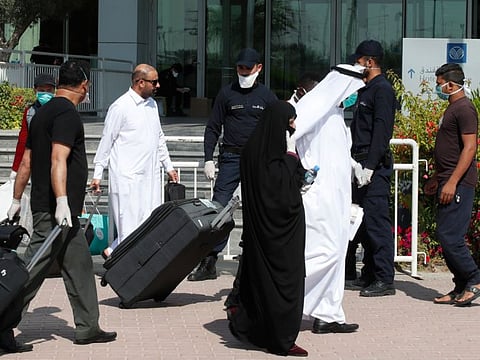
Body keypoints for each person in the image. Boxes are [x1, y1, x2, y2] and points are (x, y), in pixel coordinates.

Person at [2, 60, 117, 353]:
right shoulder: (66, 113)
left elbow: (26, 161)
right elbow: (58, 159)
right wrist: (62, 202)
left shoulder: (42, 113)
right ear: (84, 85)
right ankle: (2, 321)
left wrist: (17, 199)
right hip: (54, 212)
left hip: (62, 215)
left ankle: (88, 326)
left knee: (79, 265)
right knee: (30, 270)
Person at [187, 47, 278, 282]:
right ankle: (209, 261)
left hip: (258, 160)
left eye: (248, 68)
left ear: (259, 68)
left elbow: (278, 128)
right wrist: (208, 158)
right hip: (230, 159)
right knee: (219, 209)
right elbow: (213, 127)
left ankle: (253, 260)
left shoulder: (267, 97)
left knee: (256, 211)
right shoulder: (226, 94)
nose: (244, 72)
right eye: (240, 68)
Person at [227, 100, 308, 357]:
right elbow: (282, 194)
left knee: (259, 284)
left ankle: (259, 330)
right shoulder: (276, 158)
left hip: (259, 235)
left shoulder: (253, 149)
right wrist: (293, 158)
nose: (293, 126)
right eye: (290, 121)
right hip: (280, 237)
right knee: (284, 285)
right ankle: (281, 338)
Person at [293, 64, 364, 334]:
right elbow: (285, 137)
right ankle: (280, 300)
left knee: (337, 253)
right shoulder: (313, 107)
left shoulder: (336, 114)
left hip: (338, 199)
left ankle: (327, 314)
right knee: (322, 254)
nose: (354, 96)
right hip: (319, 198)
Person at [91, 64, 178, 259]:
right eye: (154, 82)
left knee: (149, 222)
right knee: (129, 224)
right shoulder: (120, 107)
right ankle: (125, 264)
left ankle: (113, 252)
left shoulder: (153, 105)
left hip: (151, 176)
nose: (158, 85)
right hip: (127, 177)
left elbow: (159, 137)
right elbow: (106, 141)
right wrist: (98, 174)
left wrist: (169, 166)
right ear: (140, 82)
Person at [344, 40, 397, 297]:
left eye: (359, 60)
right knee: (362, 225)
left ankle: (385, 279)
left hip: (373, 166)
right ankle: (369, 274)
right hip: (360, 163)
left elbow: (381, 132)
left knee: (376, 223)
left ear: (370, 62)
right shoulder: (366, 90)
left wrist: (370, 166)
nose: (357, 65)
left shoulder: (382, 90)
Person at [424, 63, 480, 307]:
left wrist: (453, 181)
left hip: (459, 183)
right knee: (445, 234)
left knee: (451, 237)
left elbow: (470, 148)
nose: (438, 89)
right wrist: (438, 179)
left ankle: (475, 279)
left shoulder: (465, 109)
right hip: (446, 179)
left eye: (439, 84)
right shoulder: (452, 108)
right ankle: (460, 286)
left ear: (450, 83)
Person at [10, 73, 56, 180]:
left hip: (56, 160)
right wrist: (16, 168)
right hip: (36, 160)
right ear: (35, 90)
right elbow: (23, 140)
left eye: (49, 90)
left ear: (54, 91)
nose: (45, 94)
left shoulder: (60, 110)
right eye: (42, 90)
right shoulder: (29, 112)